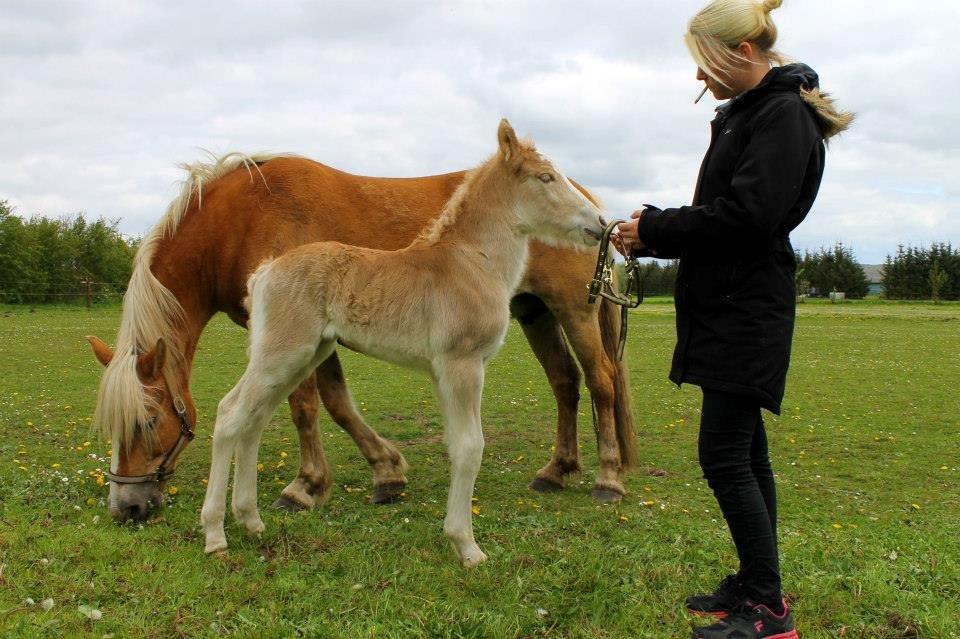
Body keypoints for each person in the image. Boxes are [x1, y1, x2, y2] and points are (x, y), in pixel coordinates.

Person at [614, 0, 853, 637]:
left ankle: (769, 610)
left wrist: (656, 229)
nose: (699, 78)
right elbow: (732, 210)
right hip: (731, 300)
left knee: (723, 455)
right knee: (746, 453)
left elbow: (748, 215)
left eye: (704, 63)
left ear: (742, 53)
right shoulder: (753, 113)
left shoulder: (781, 116)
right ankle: (755, 582)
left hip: (747, 305)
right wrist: (657, 228)